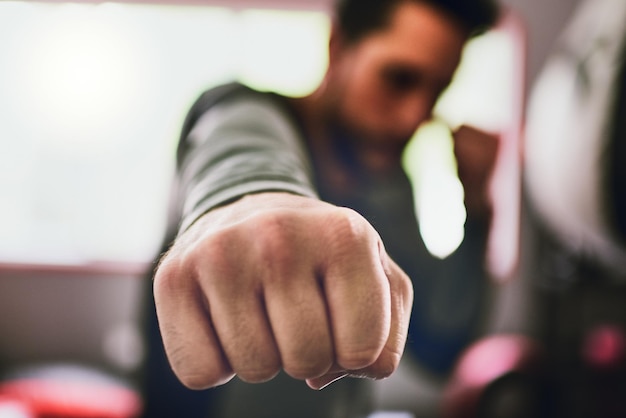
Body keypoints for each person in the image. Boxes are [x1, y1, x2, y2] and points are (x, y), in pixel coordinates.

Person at [142, 0, 499, 416]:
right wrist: (254, 200)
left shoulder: (390, 185)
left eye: (437, 91)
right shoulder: (246, 111)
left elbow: (439, 348)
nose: (414, 117)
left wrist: (476, 207)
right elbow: (240, 149)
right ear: (338, 47)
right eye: (399, 79)